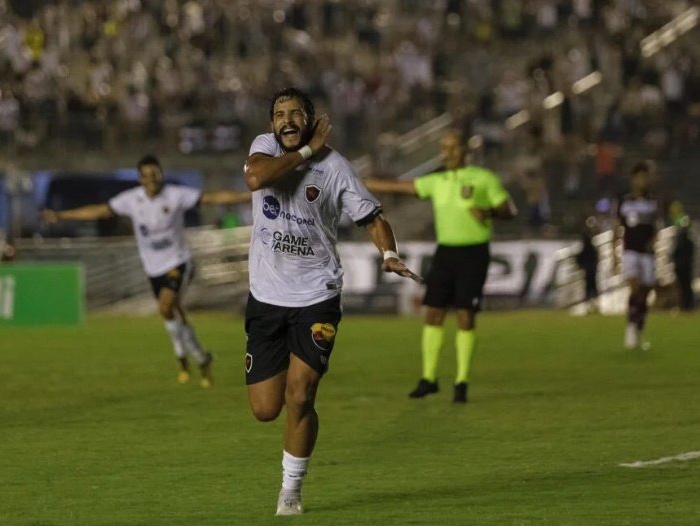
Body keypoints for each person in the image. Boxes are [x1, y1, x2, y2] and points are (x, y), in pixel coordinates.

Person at [243, 87, 421, 516]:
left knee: (301, 395)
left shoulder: (337, 168)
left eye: (295, 113)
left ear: (311, 118)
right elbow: (256, 179)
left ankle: (291, 489)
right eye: (279, 114)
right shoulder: (263, 150)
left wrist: (389, 254)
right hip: (267, 297)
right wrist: (307, 150)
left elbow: (373, 217)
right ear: (272, 124)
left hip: (317, 297)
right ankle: (289, 467)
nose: (286, 120)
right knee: (266, 409)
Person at [41, 155, 250, 387]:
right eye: (146, 175)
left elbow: (211, 198)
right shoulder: (132, 200)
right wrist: (61, 215)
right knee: (173, 312)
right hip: (153, 268)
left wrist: (249, 196)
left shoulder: (175, 195)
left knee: (165, 305)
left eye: (155, 174)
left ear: (161, 174)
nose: (151, 179)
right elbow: (100, 210)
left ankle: (182, 358)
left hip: (178, 262)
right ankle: (201, 358)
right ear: (139, 178)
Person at [365, 130, 517, 403]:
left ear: (464, 150)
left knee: (465, 316)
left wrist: (489, 213)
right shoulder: (438, 181)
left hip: (474, 254)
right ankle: (429, 378)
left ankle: (461, 382)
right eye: (443, 147)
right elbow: (405, 187)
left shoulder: (483, 179)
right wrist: (365, 183)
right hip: (445, 253)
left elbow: (509, 210)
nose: (445, 152)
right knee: (433, 313)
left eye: (450, 147)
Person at [613, 162, 661, 350]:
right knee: (634, 288)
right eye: (641, 176)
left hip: (647, 253)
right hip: (630, 251)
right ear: (634, 178)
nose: (644, 180)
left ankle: (639, 328)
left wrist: (655, 244)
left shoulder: (652, 201)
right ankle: (631, 328)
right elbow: (616, 228)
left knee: (646, 292)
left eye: (646, 176)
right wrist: (613, 254)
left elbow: (656, 227)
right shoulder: (624, 200)